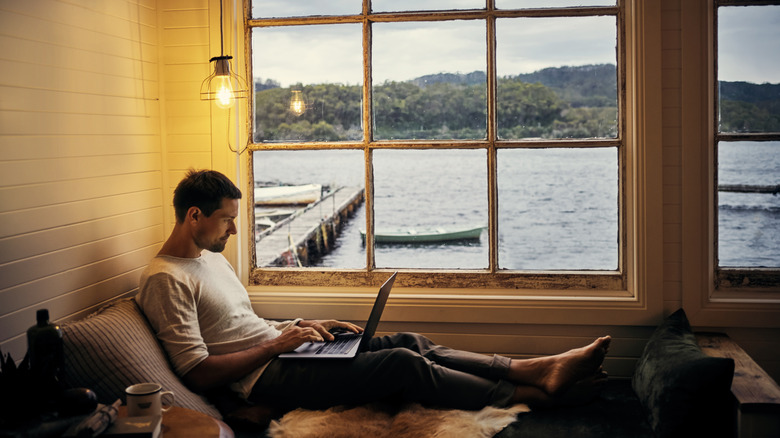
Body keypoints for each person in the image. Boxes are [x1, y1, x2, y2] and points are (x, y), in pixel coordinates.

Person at [135, 169, 611, 413]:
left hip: (282, 353)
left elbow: (241, 328)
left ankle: (533, 367)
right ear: (194, 216)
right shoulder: (165, 279)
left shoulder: (210, 259)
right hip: (266, 380)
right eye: (227, 220)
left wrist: (302, 329)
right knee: (401, 366)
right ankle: (532, 397)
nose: (233, 232)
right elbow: (197, 374)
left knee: (407, 342)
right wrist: (277, 345)